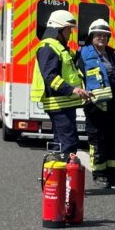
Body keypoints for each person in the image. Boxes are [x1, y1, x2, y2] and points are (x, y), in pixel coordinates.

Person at [78, 18, 115, 189]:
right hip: (96, 107)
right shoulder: (82, 55)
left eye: (105, 35)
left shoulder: (112, 55)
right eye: (98, 35)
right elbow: (79, 79)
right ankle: (100, 175)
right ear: (91, 36)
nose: (101, 38)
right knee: (98, 142)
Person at [31, 9, 91, 160]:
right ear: (60, 29)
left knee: (61, 142)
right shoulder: (48, 47)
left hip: (63, 103)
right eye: (69, 29)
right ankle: (65, 175)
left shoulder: (59, 47)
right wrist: (72, 89)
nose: (71, 33)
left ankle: (59, 176)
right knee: (68, 142)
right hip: (58, 103)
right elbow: (50, 77)